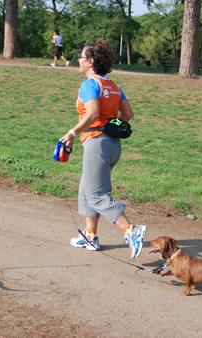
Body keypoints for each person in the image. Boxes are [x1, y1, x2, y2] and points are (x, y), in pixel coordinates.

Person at [59, 40, 146, 260]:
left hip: (97, 143)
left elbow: (92, 114)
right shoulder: (113, 85)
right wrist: (109, 120)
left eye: (81, 57)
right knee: (86, 189)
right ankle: (90, 236)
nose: (78, 60)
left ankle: (131, 231)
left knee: (97, 195)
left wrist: (71, 133)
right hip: (112, 145)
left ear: (90, 61)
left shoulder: (89, 84)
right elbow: (127, 115)